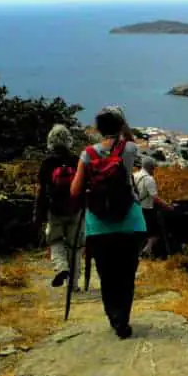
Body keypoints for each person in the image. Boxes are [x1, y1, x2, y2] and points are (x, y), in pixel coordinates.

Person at [70, 107, 146, 339]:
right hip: (130, 222)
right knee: (126, 274)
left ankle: (114, 316)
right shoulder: (129, 149)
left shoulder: (87, 154)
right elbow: (133, 144)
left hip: (99, 226)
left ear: (98, 129)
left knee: (107, 275)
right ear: (120, 126)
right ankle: (123, 318)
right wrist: (125, 128)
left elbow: (75, 191)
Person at [34, 124, 84, 290]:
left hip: (55, 209)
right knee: (75, 246)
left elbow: (41, 191)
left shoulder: (47, 163)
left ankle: (62, 267)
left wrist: (38, 215)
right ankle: (74, 284)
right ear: (69, 140)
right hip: (75, 209)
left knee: (55, 241)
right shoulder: (77, 161)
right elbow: (84, 186)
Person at [134, 156, 171, 258]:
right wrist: (167, 206)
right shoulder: (149, 179)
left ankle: (138, 252)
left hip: (134, 209)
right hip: (147, 209)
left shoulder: (134, 176)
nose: (154, 170)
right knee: (155, 233)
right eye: (153, 168)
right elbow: (155, 198)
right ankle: (147, 250)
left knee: (138, 232)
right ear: (150, 167)